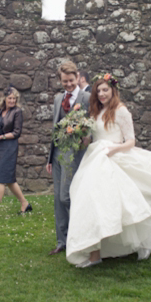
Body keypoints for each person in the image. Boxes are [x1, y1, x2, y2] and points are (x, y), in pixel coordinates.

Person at [66, 74, 151, 267]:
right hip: (94, 158)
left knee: (122, 205)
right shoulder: (96, 111)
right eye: (99, 90)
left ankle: (121, 247)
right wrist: (79, 136)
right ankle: (94, 252)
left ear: (113, 90)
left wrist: (113, 149)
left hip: (113, 157)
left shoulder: (120, 111)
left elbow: (131, 141)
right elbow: (92, 138)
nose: (101, 94)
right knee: (90, 202)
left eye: (105, 90)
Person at [46, 61, 91, 255]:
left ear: (77, 77)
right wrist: (49, 158)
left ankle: (80, 235)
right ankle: (61, 241)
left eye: (71, 81)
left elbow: (94, 123)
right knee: (57, 199)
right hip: (57, 154)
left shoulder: (87, 97)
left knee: (66, 197)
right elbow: (55, 128)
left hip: (74, 153)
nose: (68, 85)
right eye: (64, 82)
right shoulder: (58, 99)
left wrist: (88, 138)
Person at [0, 86, 31, 221]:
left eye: (14, 98)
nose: (12, 100)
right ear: (5, 99)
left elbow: (17, 132)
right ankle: (25, 203)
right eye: (10, 98)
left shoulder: (17, 112)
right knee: (9, 179)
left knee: (0, 178)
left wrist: (2, 137)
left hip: (9, 146)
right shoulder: (0, 111)